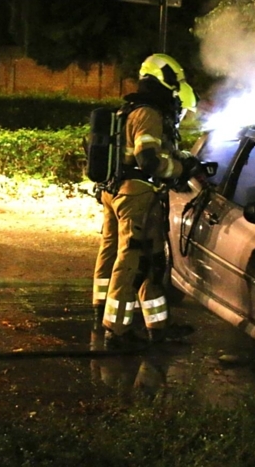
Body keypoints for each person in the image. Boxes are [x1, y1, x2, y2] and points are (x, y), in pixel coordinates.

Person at [91, 53, 203, 348]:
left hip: (116, 190)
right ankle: (116, 331)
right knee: (134, 262)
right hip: (137, 195)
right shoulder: (149, 114)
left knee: (143, 259)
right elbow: (149, 159)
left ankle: (155, 326)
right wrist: (180, 170)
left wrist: (180, 158)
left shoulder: (129, 109)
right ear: (165, 81)